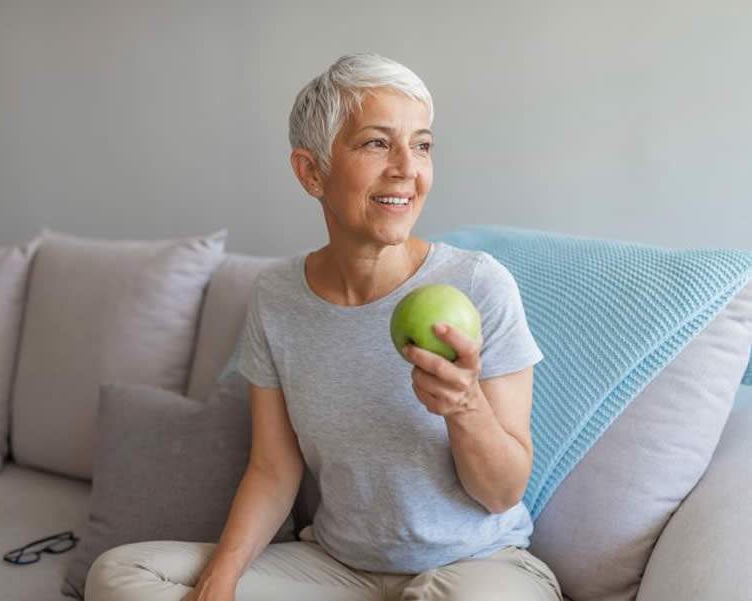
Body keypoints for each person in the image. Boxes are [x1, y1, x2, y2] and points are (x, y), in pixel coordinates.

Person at [85, 52, 563, 601]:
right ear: (312, 171)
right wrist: (219, 582)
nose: (408, 167)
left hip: (477, 566)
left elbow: (502, 493)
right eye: (377, 143)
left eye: (423, 144)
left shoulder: (478, 284)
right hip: (337, 570)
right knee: (121, 575)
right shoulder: (276, 297)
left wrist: (464, 407)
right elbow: (272, 468)